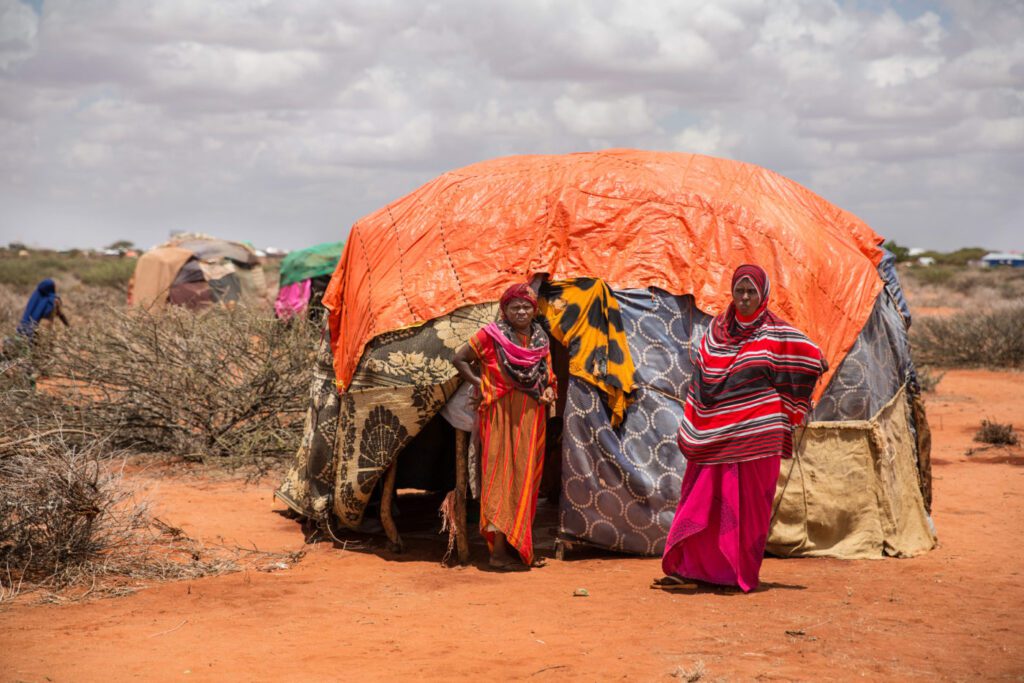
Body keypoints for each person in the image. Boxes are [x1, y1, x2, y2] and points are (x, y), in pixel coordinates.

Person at [655, 264, 827, 593]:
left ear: (763, 295)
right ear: (732, 293)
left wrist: (789, 399)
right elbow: (703, 374)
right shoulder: (717, 330)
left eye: (751, 292)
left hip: (759, 436)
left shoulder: (776, 332)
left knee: (748, 508)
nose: (745, 298)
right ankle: (691, 568)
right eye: (740, 291)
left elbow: (814, 358)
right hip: (715, 433)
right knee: (702, 498)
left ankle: (736, 574)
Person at [452, 283, 556, 571]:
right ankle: (497, 554)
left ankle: (519, 547)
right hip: (499, 414)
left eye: (526, 307)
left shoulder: (540, 339)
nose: (521, 311)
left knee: (525, 478)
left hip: (531, 416)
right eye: (515, 307)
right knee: (501, 476)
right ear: (504, 309)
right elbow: (459, 359)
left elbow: (548, 375)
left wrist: (549, 390)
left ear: (534, 310)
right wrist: (481, 384)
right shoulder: (491, 336)